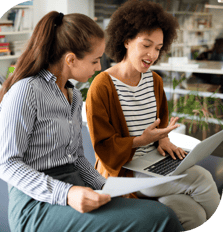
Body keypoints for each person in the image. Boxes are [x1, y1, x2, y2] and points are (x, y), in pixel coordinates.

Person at [0, 11, 184, 232]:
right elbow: (7, 164)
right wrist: (66, 193)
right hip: (36, 204)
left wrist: (107, 187)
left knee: (159, 214)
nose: (98, 68)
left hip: (77, 188)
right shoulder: (25, 92)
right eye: (95, 60)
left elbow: (76, 158)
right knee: (161, 218)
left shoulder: (73, 96)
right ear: (71, 59)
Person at [86, 1, 221, 231]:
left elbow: (160, 121)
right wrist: (141, 141)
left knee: (193, 212)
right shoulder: (102, 86)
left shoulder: (154, 80)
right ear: (126, 40)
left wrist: (163, 139)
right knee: (202, 179)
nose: (152, 55)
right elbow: (103, 147)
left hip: (155, 165)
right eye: (146, 45)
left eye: (158, 48)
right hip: (125, 173)